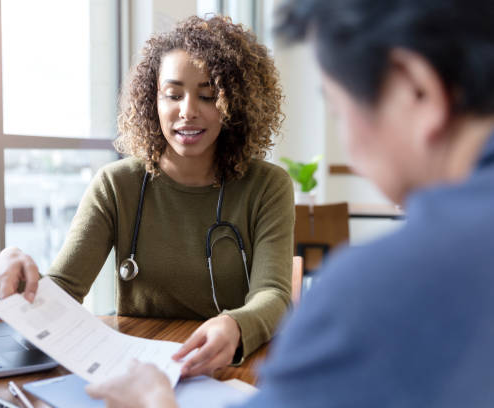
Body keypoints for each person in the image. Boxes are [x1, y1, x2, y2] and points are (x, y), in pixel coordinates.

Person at [84, 0, 494, 406]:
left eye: (339, 109)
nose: (350, 148)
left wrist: (153, 403)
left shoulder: (378, 290)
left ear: (415, 90)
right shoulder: (119, 184)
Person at [0, 15, 294, 378]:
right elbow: (63, 290)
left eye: (208, 95)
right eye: (173, 94)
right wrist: (15, 268)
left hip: (227, 369)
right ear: (153, 100)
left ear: (235, 105)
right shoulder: (116, 185)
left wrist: (236, 325)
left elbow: (274, 294)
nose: (188, 110)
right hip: (138, 370)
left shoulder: (267, 186)